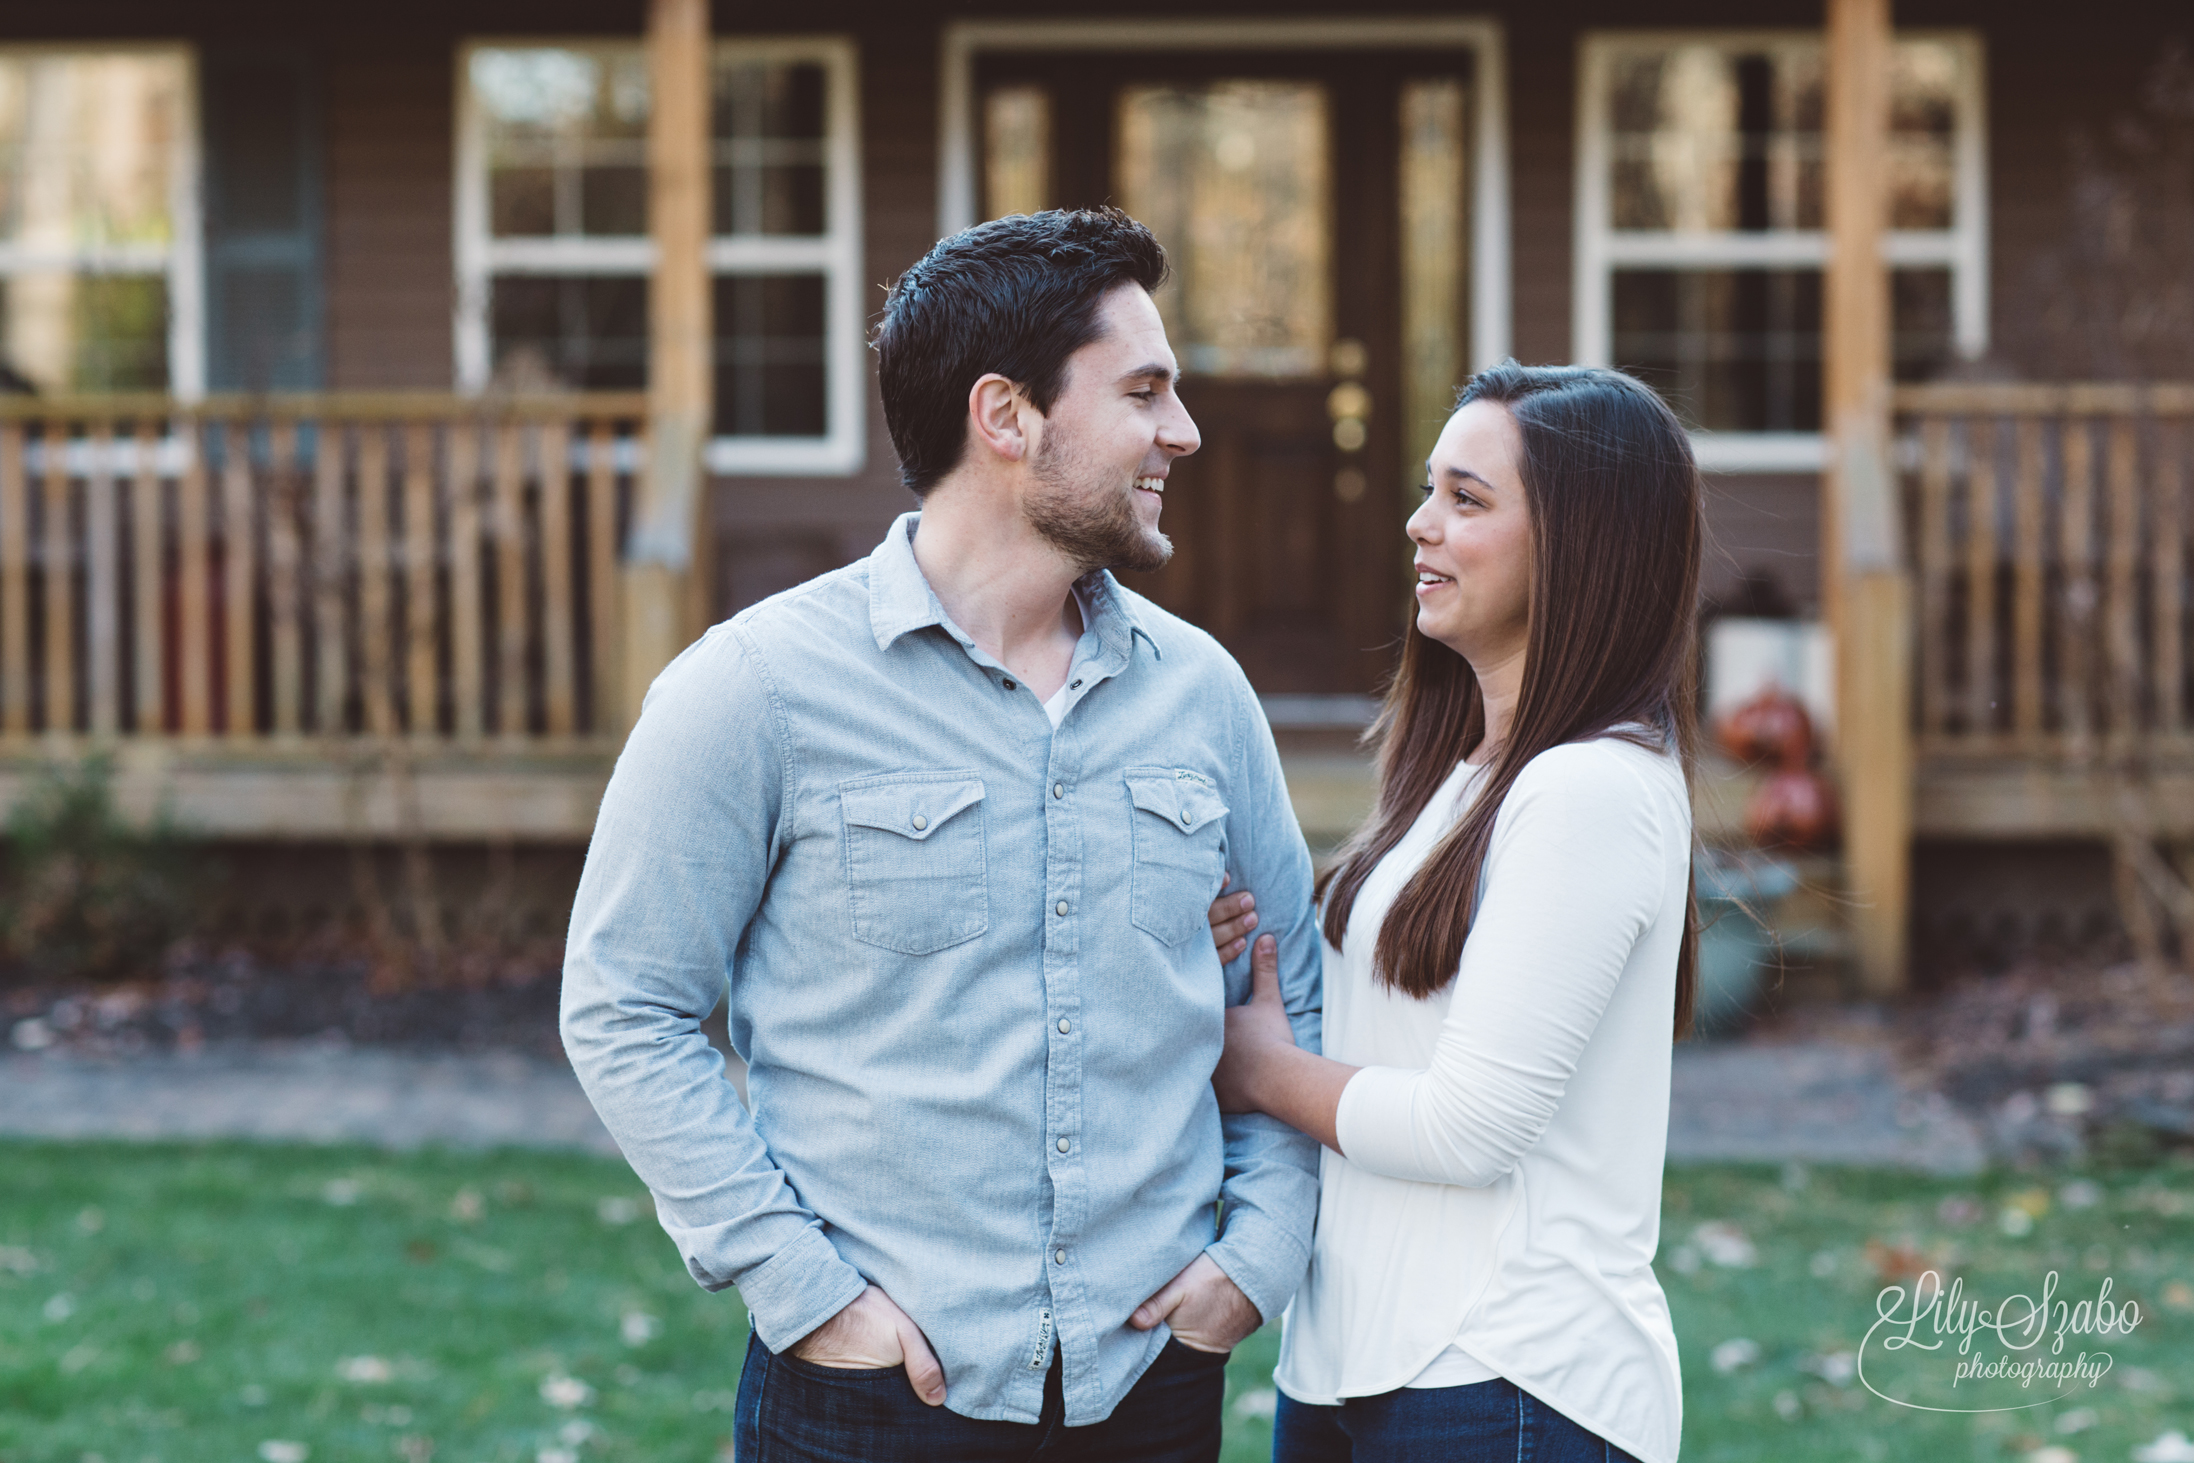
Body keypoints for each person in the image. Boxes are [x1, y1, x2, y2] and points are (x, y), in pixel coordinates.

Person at [560, 207, 1323, 1463]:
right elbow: (624, 1004)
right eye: (1144, 391)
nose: (1181, 432)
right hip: (863, 1395)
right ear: (1006, 416)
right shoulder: (753, 688)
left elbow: (1290, 980)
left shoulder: (1203, 693)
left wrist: (1256, 1254)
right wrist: (802, 1290)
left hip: (1150, 1383)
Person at [1206, 362, 1699, 1463]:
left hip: (1507, 1377)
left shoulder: (1590, 789)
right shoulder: (1461, 771)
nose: (1420, 525)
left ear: (1582, 546)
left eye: (1467, 500)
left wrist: (1259, 1068)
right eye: (1430, 490)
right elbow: (1398, 1020)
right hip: (1357, 1364)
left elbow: (1467, 1126)